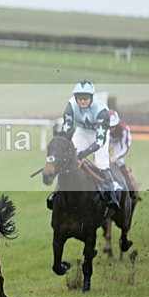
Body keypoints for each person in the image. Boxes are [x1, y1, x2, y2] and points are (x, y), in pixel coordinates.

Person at [53, 80, 121, 210]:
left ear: (91, 97)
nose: (82, 101)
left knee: (102, 164)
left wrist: (84, 153)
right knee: (68, 161)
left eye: (85, 98)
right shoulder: (71, 105)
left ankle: (112, 196)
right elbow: (67, 130)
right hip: (82, 133)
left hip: (99, 135)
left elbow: (100, 141)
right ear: (75, 98)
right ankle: (56, 192)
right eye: (80, 98)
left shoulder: (102, 110)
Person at [108, 110, 135, 197]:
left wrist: (116, 157)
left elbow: (125, 147)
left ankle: (130, 186)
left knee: (118, 162)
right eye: (108, 127)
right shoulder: (103, 128)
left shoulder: (124, 129)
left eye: (112, 127)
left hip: (120, 141)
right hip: (108, 139)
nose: (110, 129)